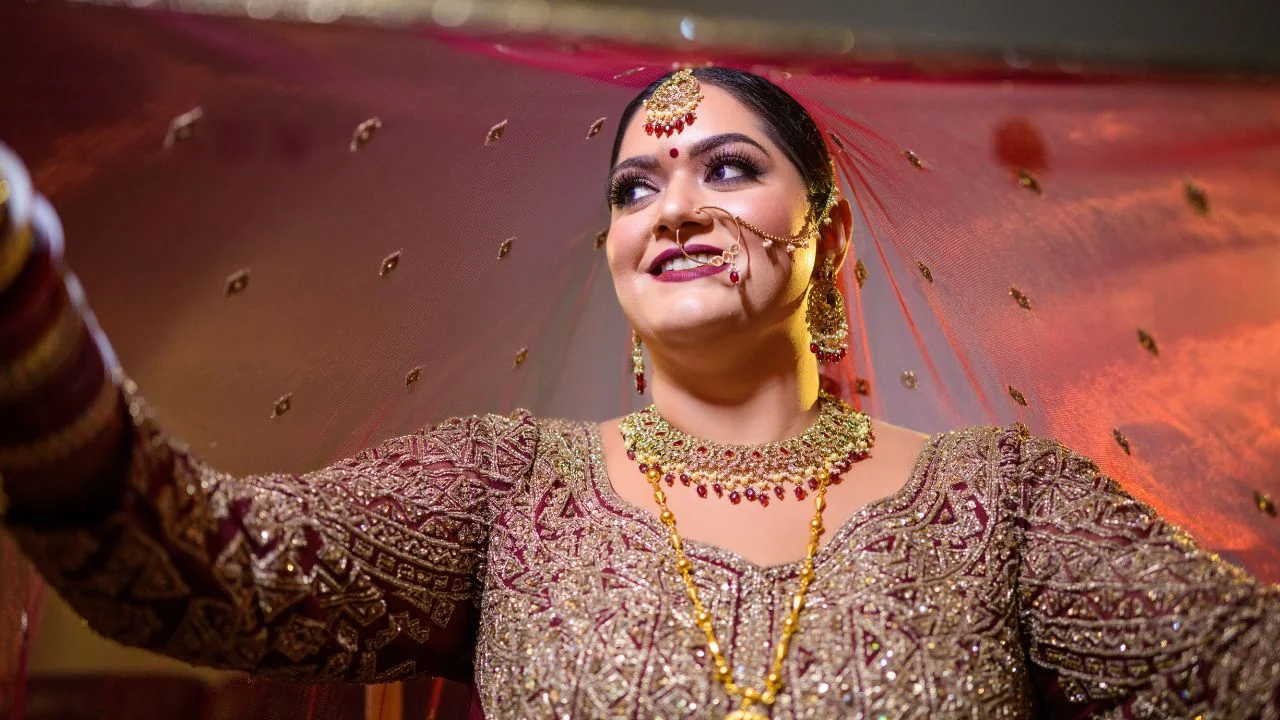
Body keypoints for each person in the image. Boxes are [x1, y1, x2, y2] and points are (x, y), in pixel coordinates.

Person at [1, 66, 1277, 720]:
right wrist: (21, 287)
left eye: (727, 169)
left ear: (828, 245)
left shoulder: (1000, 505)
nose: (669, 207)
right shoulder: (506, 492)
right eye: (631, 187)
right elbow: (210, 568)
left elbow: (1240, 668)